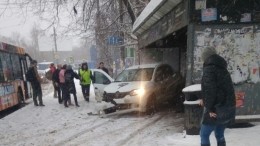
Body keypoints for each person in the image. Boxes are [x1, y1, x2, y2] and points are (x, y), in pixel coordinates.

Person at [199, 47, 236, 146]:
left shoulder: (209, 69)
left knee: (204, 134)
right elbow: (226, 90)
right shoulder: (222, 68)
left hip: (216, 109)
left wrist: (210, 108)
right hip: (227, 108)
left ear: (206, 57)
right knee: (219, 134)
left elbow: (210, 91)